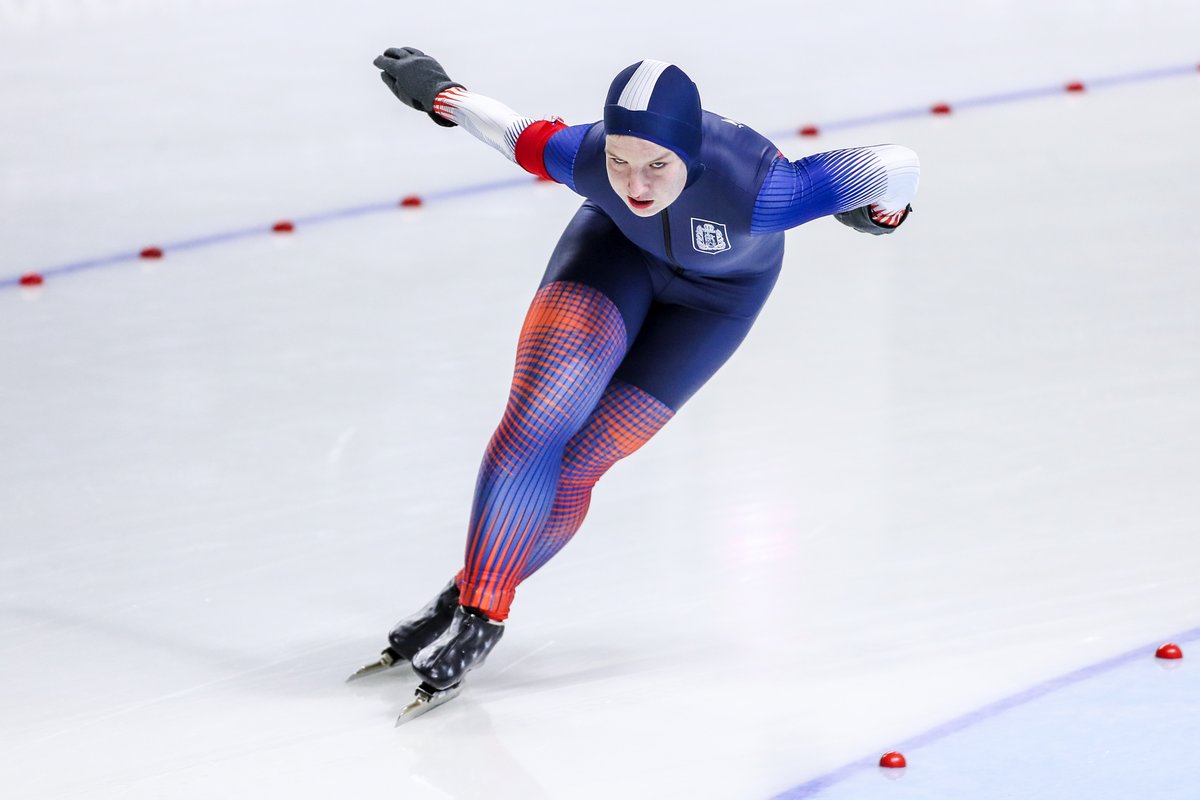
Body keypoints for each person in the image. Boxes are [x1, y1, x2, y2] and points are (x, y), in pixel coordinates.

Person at [352, 47, 921, 723]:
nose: (635, 184)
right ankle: (481, 616)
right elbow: (505, 128)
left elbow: (897, 164)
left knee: (577, 465)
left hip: (717, 303)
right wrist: (439, 92)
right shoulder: (584, 156)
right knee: (535, 422)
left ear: (693, 156)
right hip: (613, 257)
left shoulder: (767, 189)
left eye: (657, 165)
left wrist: (883, 212)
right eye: (620, 160)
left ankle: (465, 591)